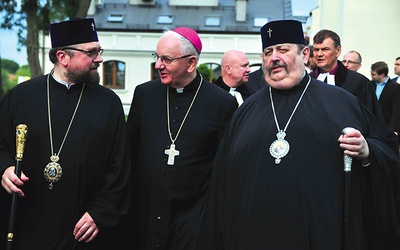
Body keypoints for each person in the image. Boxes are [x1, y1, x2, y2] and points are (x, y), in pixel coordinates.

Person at [195, 20, 400, 249]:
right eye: (268, 52)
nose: (274, 57)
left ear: (304, 54)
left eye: (283, 50)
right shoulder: (245, 112)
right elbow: (222, 184)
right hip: (251, 234)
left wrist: (367, 151)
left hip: (320, 235)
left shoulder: (342, 103)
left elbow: (388, 149)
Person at [0, 18, 131, 249]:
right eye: (91, 52)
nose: (99, 58)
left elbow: (119, 167)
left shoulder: (109, 103)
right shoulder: (21, 96)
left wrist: (100, 213)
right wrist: (5, 168)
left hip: (83, 229)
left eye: (99, 51)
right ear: (63, 57)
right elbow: (2, 145)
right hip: (28, 226)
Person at [123, 26, 237, 250]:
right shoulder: (144, 94)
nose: (158, 65)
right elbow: (129, 151)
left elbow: (225, 167)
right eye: (157, 57)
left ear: (191, 63)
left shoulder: (222, 103)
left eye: (167, 59)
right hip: (143, 213)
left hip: (193, 219)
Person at [310, 29, 384, 121]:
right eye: (316, 50)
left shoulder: (359, 83)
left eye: (325, 49)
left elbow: (372, 120)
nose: (319, 54)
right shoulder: (307, 80)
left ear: (338, 51)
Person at [370, 61, 400, 134]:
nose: (371, 76)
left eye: (373, 74)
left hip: (387, 124)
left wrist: (394, 129)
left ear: (382, 75)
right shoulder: (370, 84)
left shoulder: (395, 87)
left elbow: (396, 109)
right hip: (372, 124)